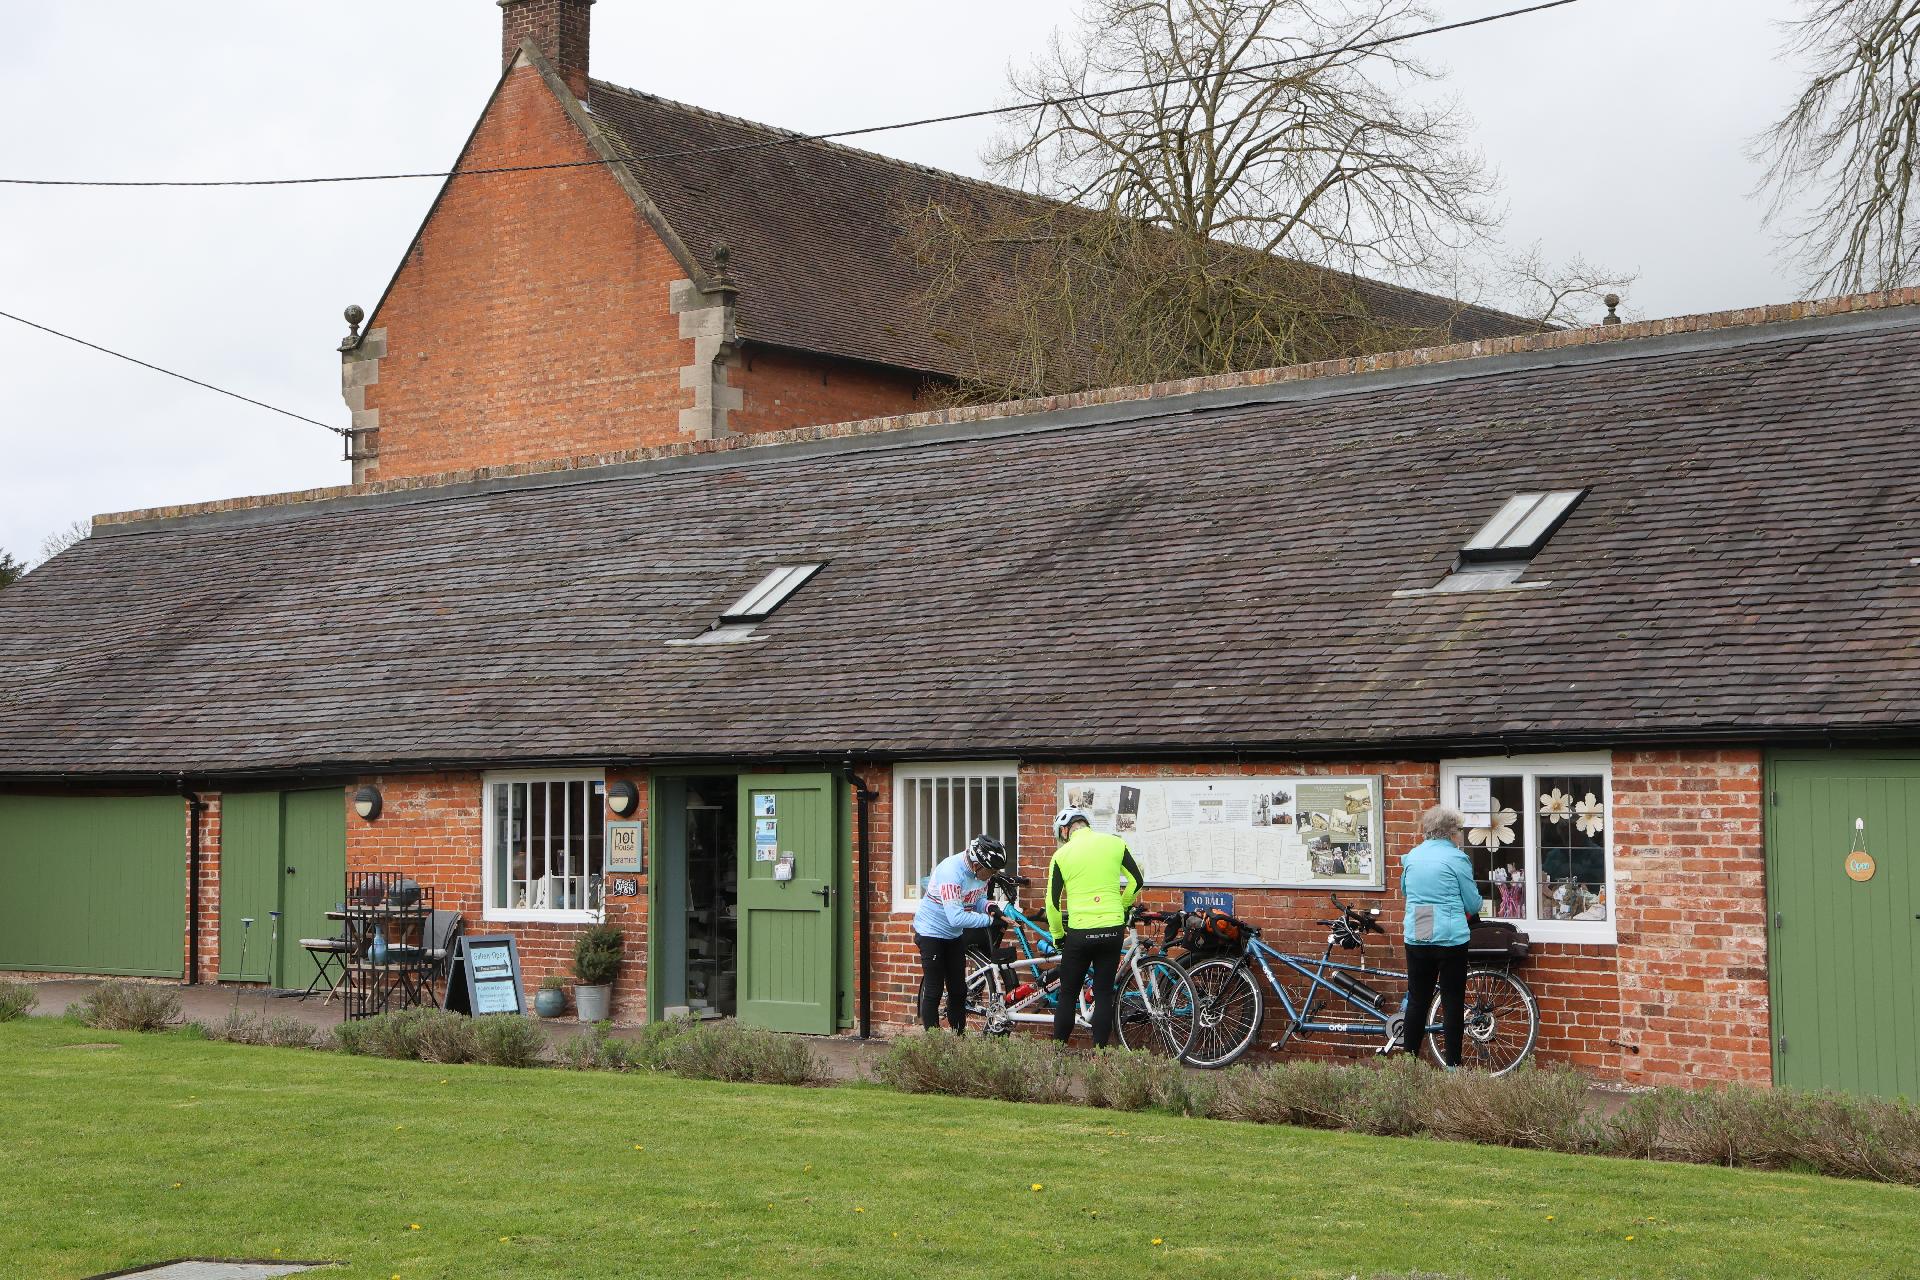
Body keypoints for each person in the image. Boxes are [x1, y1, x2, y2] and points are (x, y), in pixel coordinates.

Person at [1045, 807, 1145, 1047]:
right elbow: (1137, 881)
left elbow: (1052, 903)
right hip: (1112, 930)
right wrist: (1121, 908)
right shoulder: (1115, 844)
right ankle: (1100, 1056)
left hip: (1080, 932)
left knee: (1068, 994)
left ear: (1066, 830)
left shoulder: (1061, 855)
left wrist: (1058, 936)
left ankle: (1057, 1055)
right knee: (1103, 994)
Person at [1399, 805, 1482, 1067]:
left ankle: (1408, 1065)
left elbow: (1406, 890)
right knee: (1452, 1002)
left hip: (1420, 926)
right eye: (1458, 830)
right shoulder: (1456, 858)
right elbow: (1472, 904)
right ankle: (1453, 1067)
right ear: (1450, 832)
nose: (1459, 834)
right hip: (1449, 935)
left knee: (1417, 1000)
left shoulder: (1412, 856)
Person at [910, 834, 1006, 1033]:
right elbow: (957, 917)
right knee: (934, 990)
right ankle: (934, 1044)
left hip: (953, 935)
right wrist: (989, 921)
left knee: (959, 990)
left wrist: (991, 907)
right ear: (977, 864)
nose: (992, 875)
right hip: (931, 933)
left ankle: (959, 1042)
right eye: (991, 871)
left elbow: (976, 899)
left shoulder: (980, 874)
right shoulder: (951, 872)